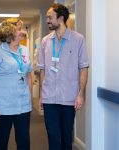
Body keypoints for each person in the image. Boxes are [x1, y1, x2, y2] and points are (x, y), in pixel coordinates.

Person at [38, 3, 89, 150]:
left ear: (60, 18)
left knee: (67, 137)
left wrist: (81, 94)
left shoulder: (78, 39)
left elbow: (84, 67)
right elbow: (42, 70)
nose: (47, 20)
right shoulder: (45, 41)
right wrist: (42, 94)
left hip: (69, 98)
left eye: (50, 17)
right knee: (53, 136)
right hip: (49, 97)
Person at [0, 18, 32, 150]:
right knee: (1, 142)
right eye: (19, 29)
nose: (22, 32)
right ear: (10, 32)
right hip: (2, 107)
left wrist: (29, 96)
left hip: (23, 105)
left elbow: (28, 74)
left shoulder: (25, 50)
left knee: (24, 142)